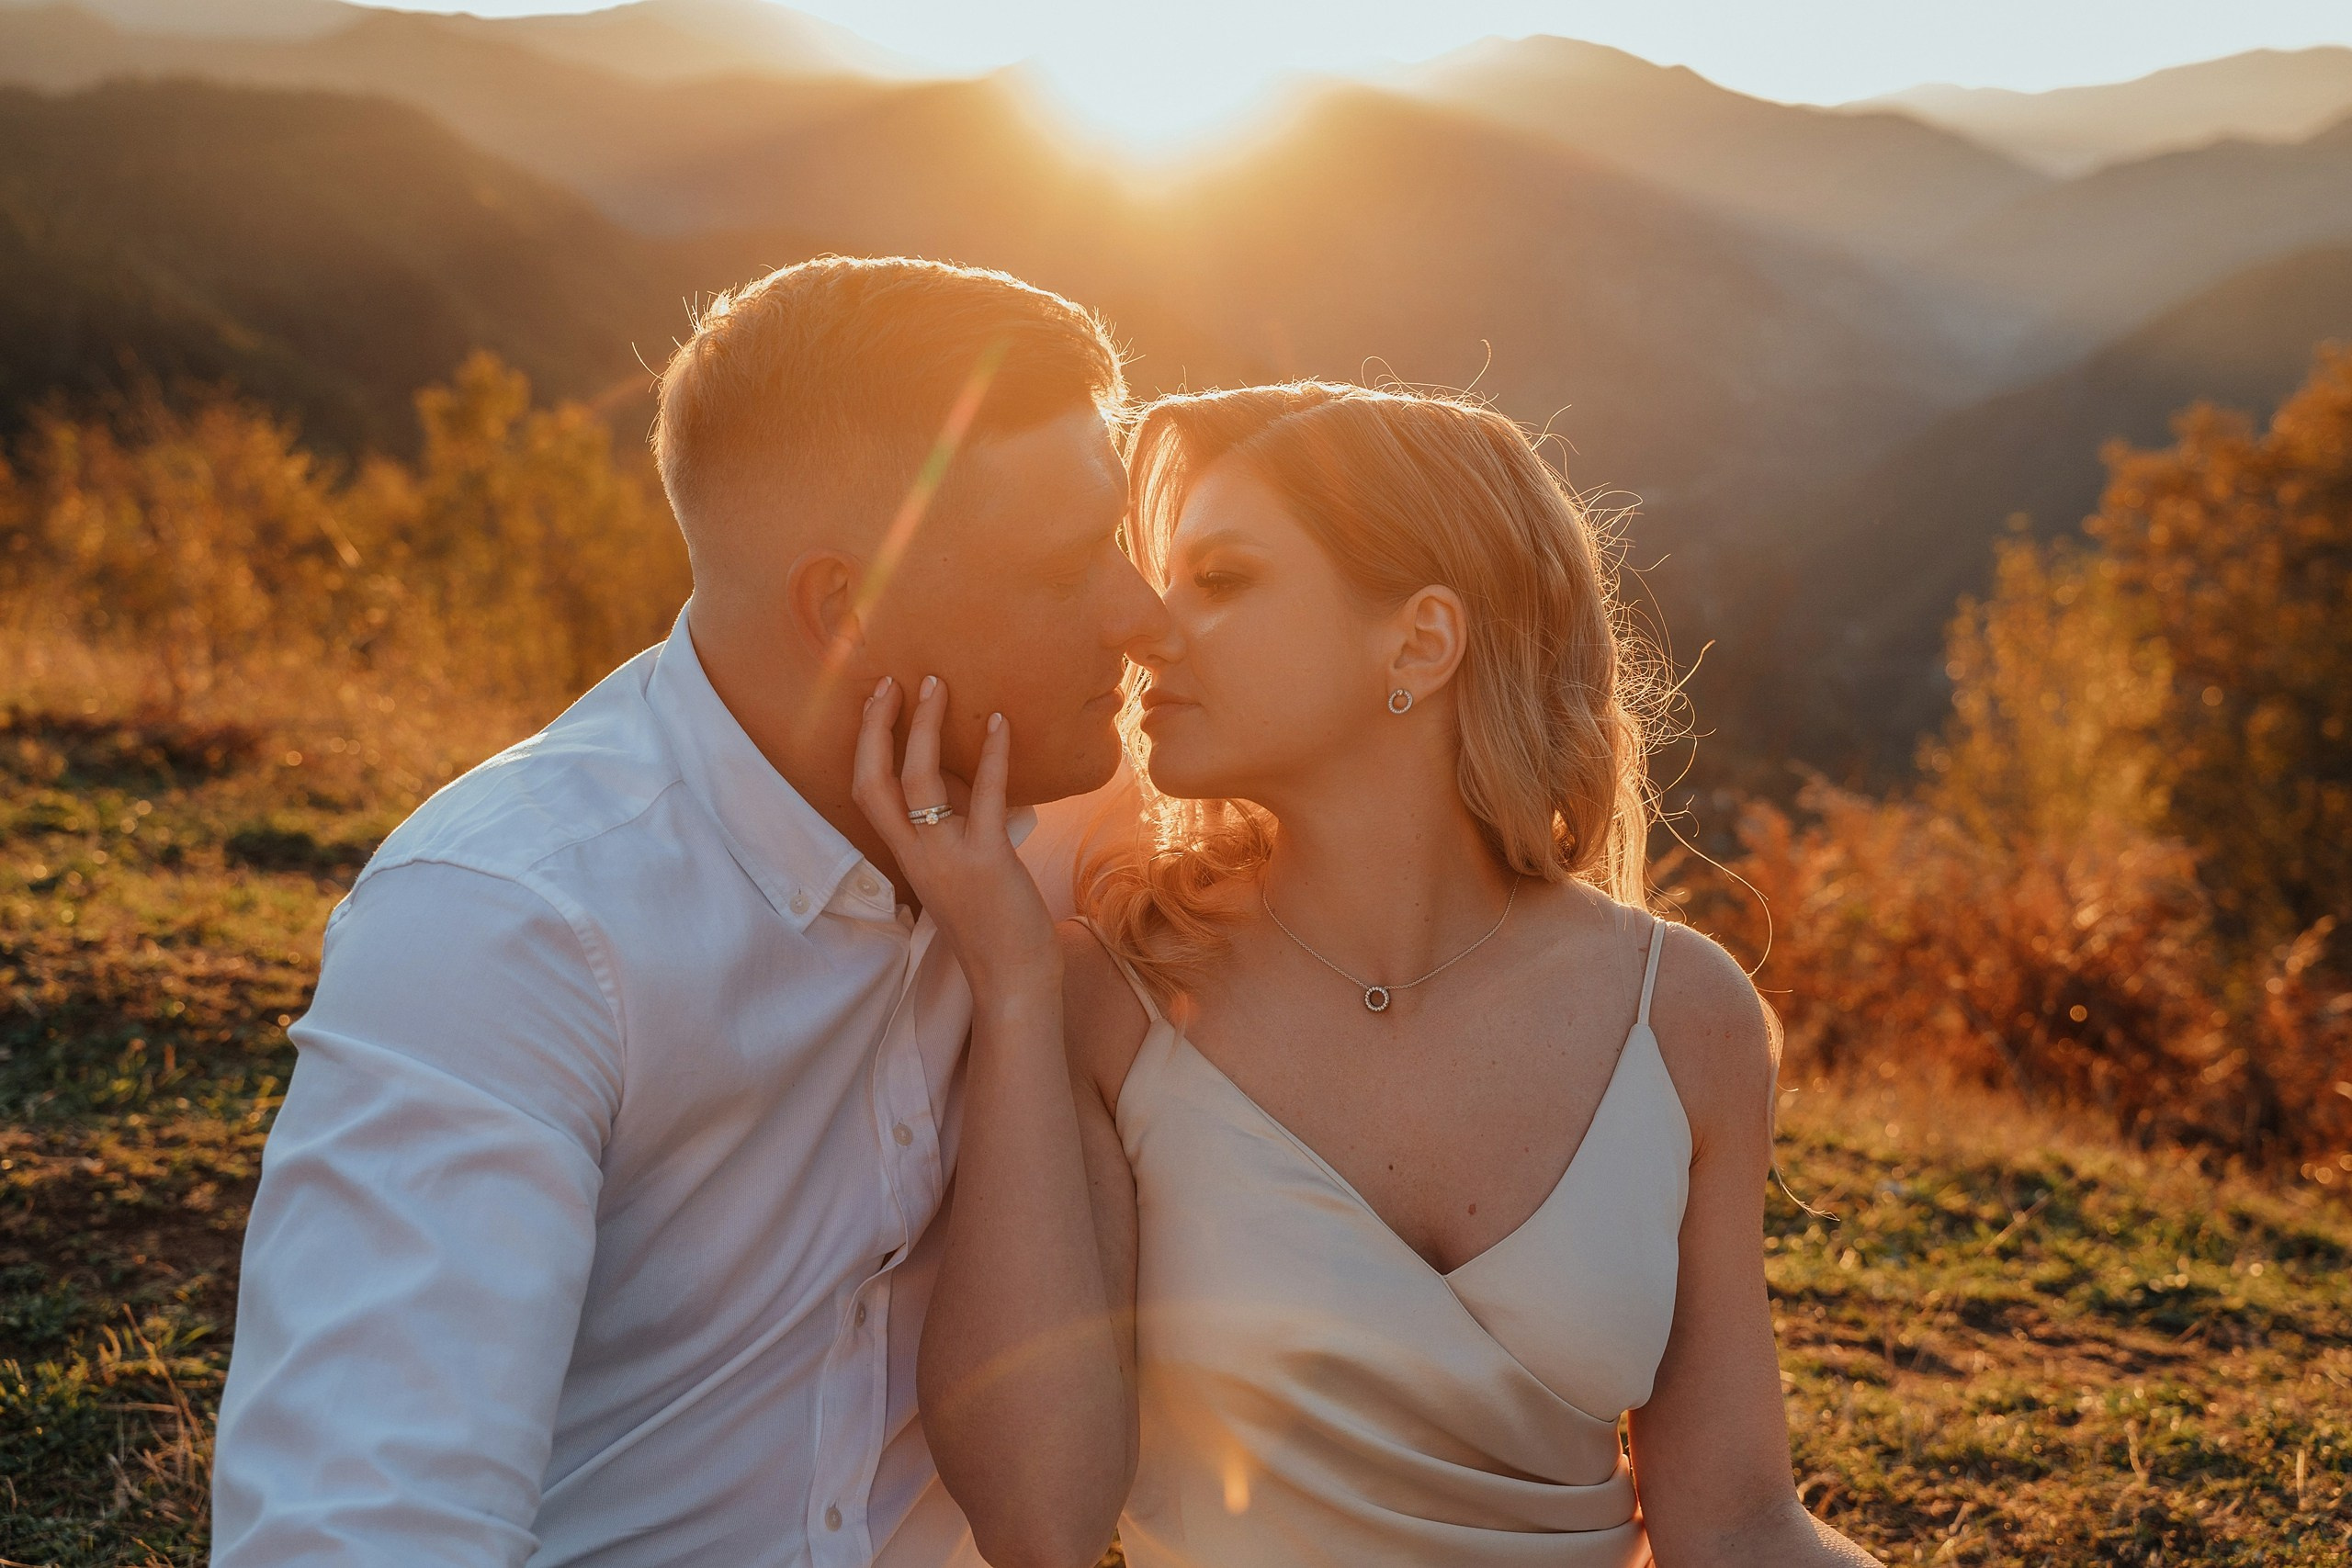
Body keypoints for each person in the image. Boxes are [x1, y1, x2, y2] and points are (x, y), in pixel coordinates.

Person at [211, 256, 1167, 1566]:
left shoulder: (1083, 828)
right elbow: (363, 1525)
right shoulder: (511, 925)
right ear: (844, 607)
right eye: (1069, 567)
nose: (1144, 614)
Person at [860, 382, 1886, 1567]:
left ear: (1420, 639)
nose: (1148, 627)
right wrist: (1010, 982)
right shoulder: (1113, 1002)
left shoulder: (1685, 1017)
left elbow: (1739, 1524)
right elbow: (1042, 1519)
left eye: (1224, 580)